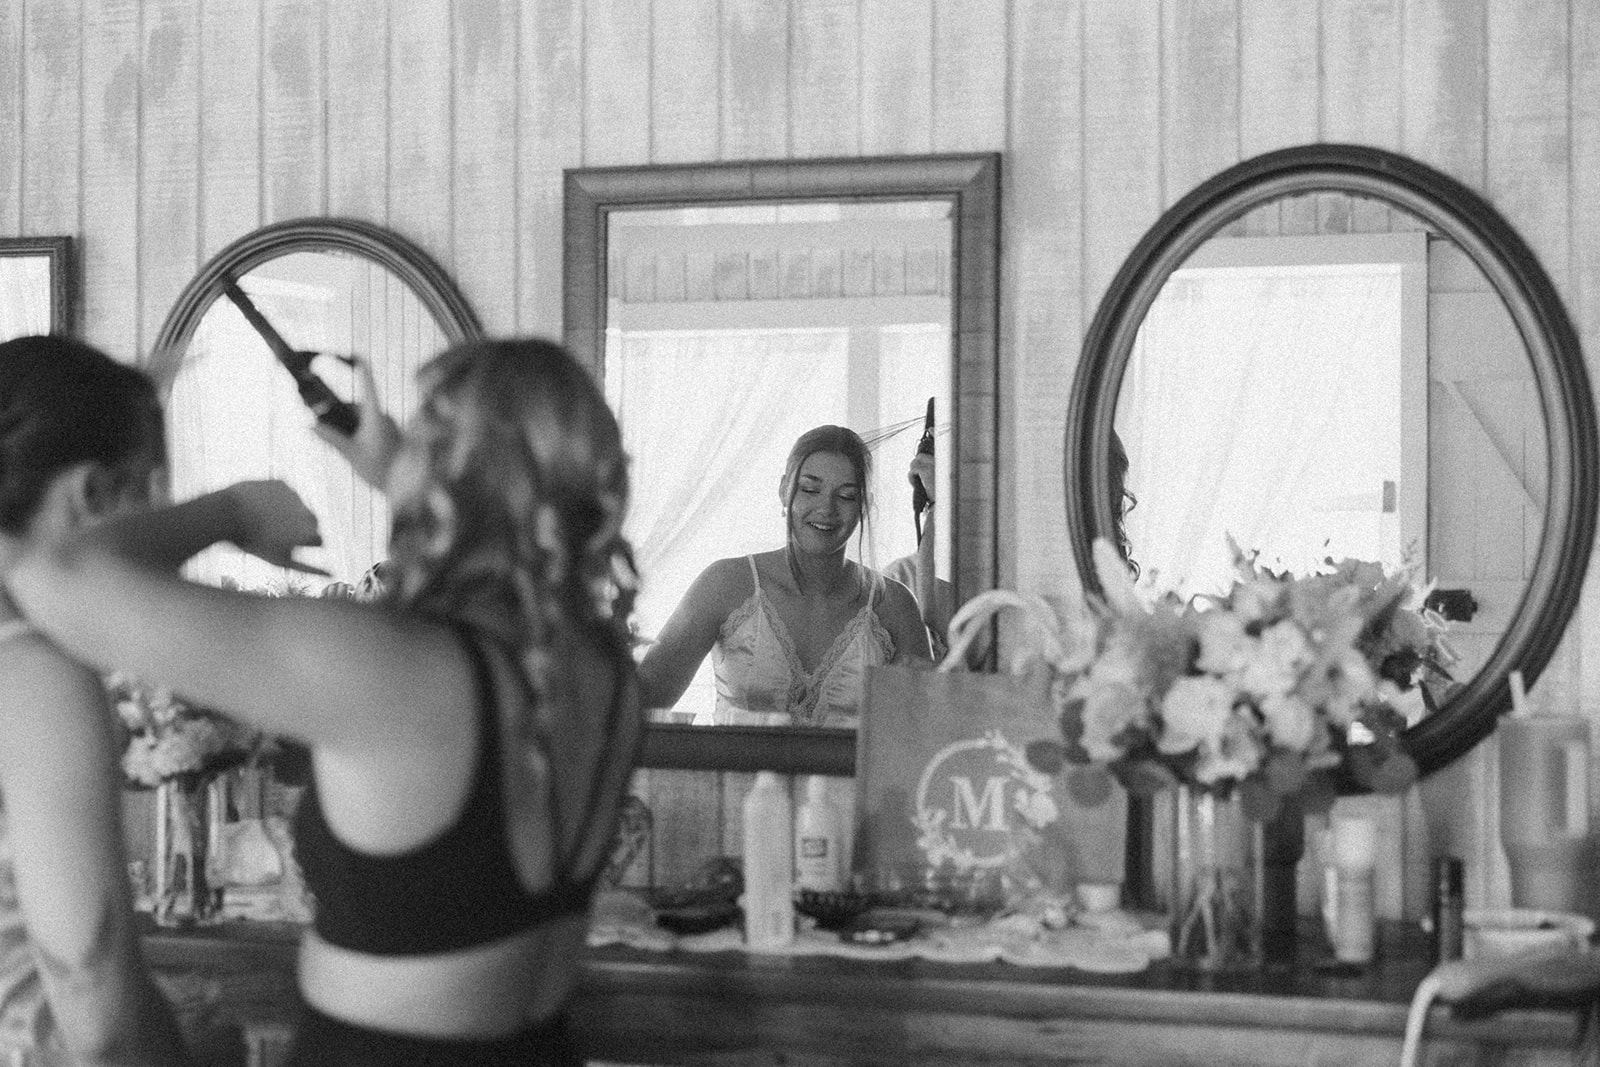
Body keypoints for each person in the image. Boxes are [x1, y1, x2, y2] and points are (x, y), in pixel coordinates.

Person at [8, 338, 642, 1066]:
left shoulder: (391, 671)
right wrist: (413, 476)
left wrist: (237, 508)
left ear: (442, 475)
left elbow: (52, 575)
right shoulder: (603, 672)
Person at [0, 336, 192, 1065]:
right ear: (90, 495)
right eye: (149, 487)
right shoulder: (32, 677)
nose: (161, 516)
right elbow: (96, 1008)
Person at [637, 424, 931, 726]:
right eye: (810, 489)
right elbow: (638, 701)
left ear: (864, 506)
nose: (825, 508)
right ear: (783, 491)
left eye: (845, 496)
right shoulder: (725, 584)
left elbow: (925, 731)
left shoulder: (894, 606)